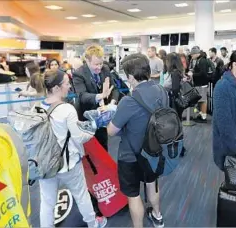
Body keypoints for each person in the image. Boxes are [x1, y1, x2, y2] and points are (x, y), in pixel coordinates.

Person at [37, 70, 107, 228]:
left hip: (45, 164)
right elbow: (79, 138)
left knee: (47, 203)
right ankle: (93, 223)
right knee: (81, 195)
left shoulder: (38, 107)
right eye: (66, 83)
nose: (69, 86)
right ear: (56, 88)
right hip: (69, 164)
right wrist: (94, 126)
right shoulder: (67, 109)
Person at [106, 54, 166, 228]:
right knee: (152, 184)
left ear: (131, 77)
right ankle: (157, 216)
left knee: (133, 195)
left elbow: (111, 131)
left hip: (130, 155)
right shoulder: (161, 90)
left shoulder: (128, 101)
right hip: (154, 150)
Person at [73, 44, 119, 151]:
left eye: (101, 63)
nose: (99, 67)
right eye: (96, 64)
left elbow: (114, 89)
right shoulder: (79, 73)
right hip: (86, 117)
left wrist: (112, 104)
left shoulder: (105, 69)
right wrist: (100, 96)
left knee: (103, 146)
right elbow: (82, 96)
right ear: (88, 61)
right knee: (89, 150)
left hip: (103, 115)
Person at [188, 46, 210, 123]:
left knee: (203, 100)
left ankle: (203, 117)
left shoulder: (202, 61)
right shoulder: (199, 60)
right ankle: (201, 114)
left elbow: (203, 73)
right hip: (199, 84)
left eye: (192, 54)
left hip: (202, 84)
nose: (191, 56)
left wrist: (192, 74)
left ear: (197, 53)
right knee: (201, 100)